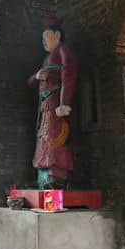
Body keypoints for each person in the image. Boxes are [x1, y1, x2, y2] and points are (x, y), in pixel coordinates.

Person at [27, 18, 78, 190]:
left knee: (56, 141)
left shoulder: (63, 51)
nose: (43, 43)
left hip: (56, 105)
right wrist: (36, 76)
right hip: (45, 107)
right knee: (43, 141)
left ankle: (57, 177)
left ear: (57, 35)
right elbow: (30, 82)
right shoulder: (46, 59)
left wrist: (64, 103)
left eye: (45, 38)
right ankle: (43, 177)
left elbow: (68, 75)